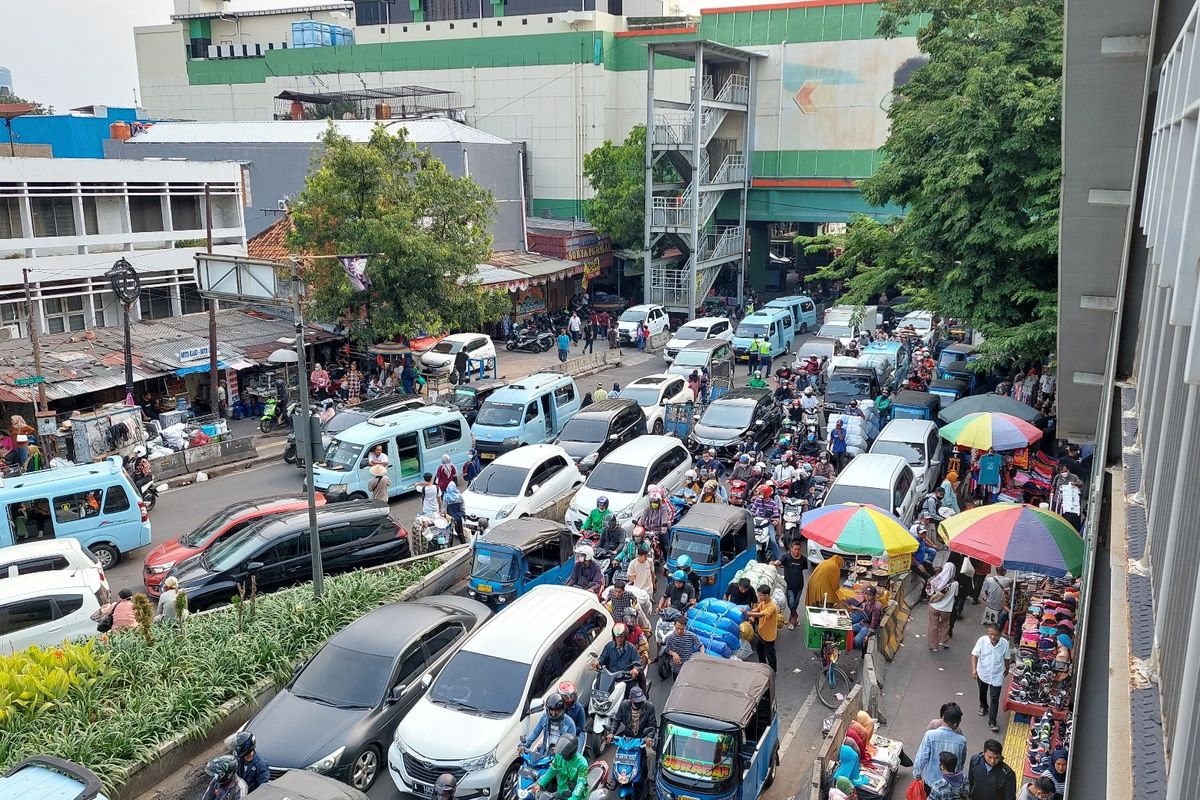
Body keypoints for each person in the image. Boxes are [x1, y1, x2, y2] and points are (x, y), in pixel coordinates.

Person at [914, 704, 968, 791]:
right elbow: (961, 762)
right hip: (950, 783)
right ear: (955, 724)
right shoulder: (961, 741)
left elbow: (921, 757)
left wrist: (917, 774)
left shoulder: (930, 735)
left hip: (931, 781)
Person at [972, 623, 1012, 733]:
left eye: (996, 635)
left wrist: (1007, 669)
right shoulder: (982, 641)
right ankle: (983, 706)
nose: (993, 637)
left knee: (994, 698)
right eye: (991, 634)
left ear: (1000, 634)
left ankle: (992, 721)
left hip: (997, 675)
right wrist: (974, 669)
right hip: (983, 672)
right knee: (982, 692)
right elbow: (974, 655)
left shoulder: (1004, 644)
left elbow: (1007, 658)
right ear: (988, 633)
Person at [593, 623, 645, 692]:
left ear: (625, 636)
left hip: (626, 680)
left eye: (621, 637)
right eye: (617, 637)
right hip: (611, 679)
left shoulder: (631, 648)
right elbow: (603, 657)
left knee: (633, 697)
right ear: (614, 637)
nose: (619, 639)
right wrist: (598, 662)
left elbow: (638, 661)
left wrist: (635, 669)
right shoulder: (609, 646)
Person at [536, 733, 589, 800]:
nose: (562, 756)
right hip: (562, 791)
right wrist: (540, 784)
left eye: (564, 755)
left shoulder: (582, 764)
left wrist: (573, 798)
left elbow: (580, 784)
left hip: (577, 796)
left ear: (572, 752)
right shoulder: (559, 756)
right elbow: (551, 771)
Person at [771, 539, 808, 629]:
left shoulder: (803, 559)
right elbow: (779, 562)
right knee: (791, 603)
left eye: (798, 549)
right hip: (789, 586)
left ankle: (792, 620)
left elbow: (803, 569)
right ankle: (795, 617)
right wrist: (774, 563)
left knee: (795, 604)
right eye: (795, 549)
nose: (796, 551)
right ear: (791, 549)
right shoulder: (786, 557)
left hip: (799, 586)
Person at [745, 584, 779, 671]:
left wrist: (748, 613)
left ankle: (773, 671)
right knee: (759, 651)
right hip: (761, 632)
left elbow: (761, 614)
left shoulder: (772, 606)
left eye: (760, 595)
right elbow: (756, 610)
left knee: (770, 654)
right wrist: (747, 612)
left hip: (769, 635)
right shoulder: (763, 602)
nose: (759, 597)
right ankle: (763, 667)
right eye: (758, 594)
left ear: (767, 595)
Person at [927, 562, 959, 651]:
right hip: (947, 609)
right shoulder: (955, 583)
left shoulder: (936, 580)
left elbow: (930, 591)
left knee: (933, 626)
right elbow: (956, 595)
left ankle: (933, 646)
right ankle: (943, 641)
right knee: (945, 625)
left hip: (934, 606)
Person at [748, 484, 782, 561]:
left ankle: (778, 559)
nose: (760, 494)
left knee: (773, 541)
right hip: (757, 523)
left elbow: (776, 515)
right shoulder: (757, 500)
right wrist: (750, 515)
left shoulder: (773, 503)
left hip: (768, 524)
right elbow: (753, 510)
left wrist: (775, 521)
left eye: (762, 493)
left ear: (766, 493)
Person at [851, 585, 885, 652]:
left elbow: (873, 625)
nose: (867, 596)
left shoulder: (876, 608)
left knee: (857, 641)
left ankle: (863, 648)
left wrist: (867, 635)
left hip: (869, 627)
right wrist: (856, 608)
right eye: (866, 594)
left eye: (869, 595)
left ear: (874, 596)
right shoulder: (868, 601)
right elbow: (864, 610)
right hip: (863, 623)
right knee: (849, 630)